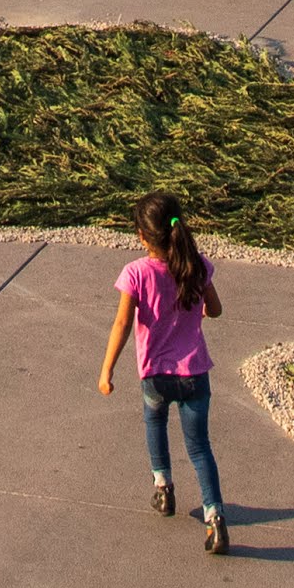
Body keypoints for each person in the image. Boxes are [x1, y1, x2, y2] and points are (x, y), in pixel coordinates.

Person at [94, 193, 229, 553]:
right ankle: (214, 517)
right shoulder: (197, 266)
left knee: (155, 424)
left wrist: (106, 370)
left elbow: (122, 323)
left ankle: (163, 488)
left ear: (141, 235)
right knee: (200, 448)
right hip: (195, 374)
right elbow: (215, 309)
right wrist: (197, 311)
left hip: (155, 374)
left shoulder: (135, 273)